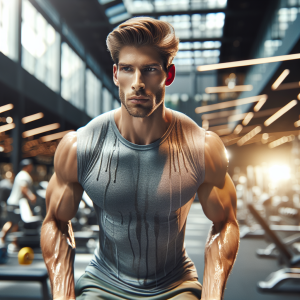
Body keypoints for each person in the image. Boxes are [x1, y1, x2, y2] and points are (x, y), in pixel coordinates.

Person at [41, 17, 239, 300]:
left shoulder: (202, 147)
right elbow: (54, 223)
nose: (137, 83)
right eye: (127, 69)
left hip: (174, 284)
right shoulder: (80, 146)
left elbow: (226, 224)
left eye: (149, 70)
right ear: (115, 74)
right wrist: (63, 295)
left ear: (167, 76)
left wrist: (211, 294)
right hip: (103, 282)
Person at [0, 159, 36, 252]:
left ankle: (12, 242)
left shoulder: (20, 175)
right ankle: (5, 239)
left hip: (15, 203)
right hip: (16, 204)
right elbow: (23, 188)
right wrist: (31, 197)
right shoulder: (23, 175)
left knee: (14, 223)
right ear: (27, 166)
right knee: (13, 222)